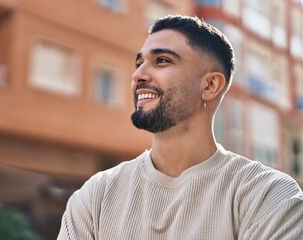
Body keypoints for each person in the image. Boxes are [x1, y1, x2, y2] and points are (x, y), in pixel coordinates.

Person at [57, 15, 303, 239]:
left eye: (161, 60)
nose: (139, 75)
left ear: (209, 86)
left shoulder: (268, 195)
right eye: (139, 63)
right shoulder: (95, 196)